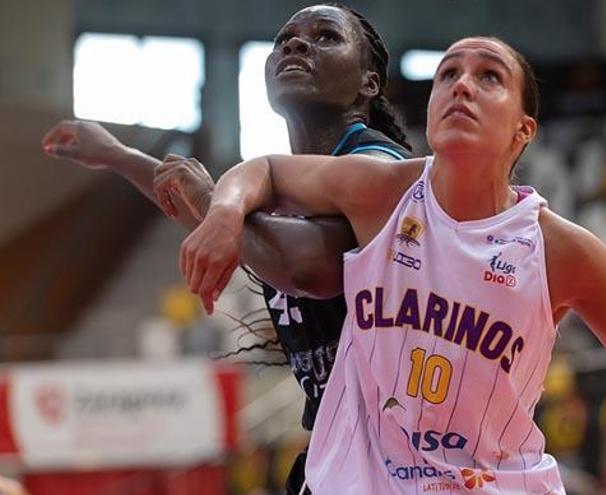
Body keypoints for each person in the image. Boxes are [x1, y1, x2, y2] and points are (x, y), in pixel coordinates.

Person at [179, 36, 606, 494]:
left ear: (523, 130)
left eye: (489, 76)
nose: (462, 85)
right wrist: (225, 214)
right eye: (448, 74)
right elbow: (267, 170)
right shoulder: (383, 191)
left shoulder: (561, 250)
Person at [41, 4, 412, 494]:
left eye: (325, 37)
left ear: (368, 83)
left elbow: (308, 267)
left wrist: (215, 202)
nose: (296, 44)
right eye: (284, 39)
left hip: (403, 458)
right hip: (341, 452)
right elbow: (239, 225)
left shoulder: (378, 163)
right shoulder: (286, 187)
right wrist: (119, 154)